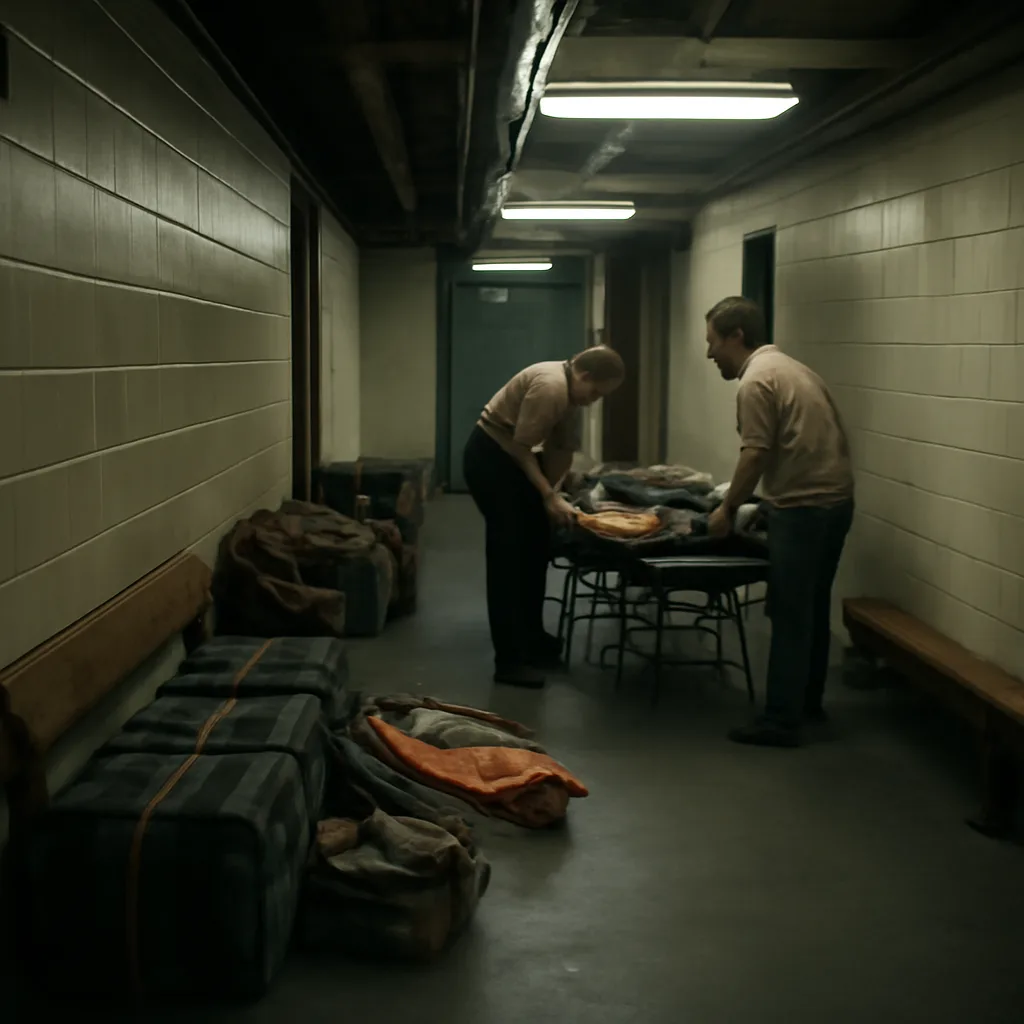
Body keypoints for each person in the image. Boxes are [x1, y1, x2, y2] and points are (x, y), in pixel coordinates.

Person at [704, 297, 854, 748]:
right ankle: (807, 702)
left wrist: (727, 509)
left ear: (736, 336)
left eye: (713, 342)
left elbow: (756, 453)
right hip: (836, 502)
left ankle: (780, 721)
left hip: (803, 508)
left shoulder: (755, 381)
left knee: (788, 611)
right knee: (811, 606)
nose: (709, 353)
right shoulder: (794, 368)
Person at [463, 346, 626, 689]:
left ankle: (532, 640)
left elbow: (561, 450)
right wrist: (547, 496)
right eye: (595, 392)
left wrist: (554, 496)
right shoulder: (551, 386)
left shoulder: (573, 393)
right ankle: (508, 660)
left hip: (516, 458)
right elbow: (521, 449)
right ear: (583, 375)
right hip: (492, 457)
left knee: (536, 546)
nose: (595, 400)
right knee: (509, 555)